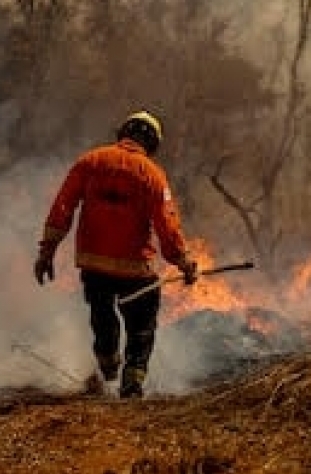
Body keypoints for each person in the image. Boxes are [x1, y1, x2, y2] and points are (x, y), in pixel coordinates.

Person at [33, 110, 198, 399]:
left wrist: (47, 251)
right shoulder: (153, 175)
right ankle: (132, 383)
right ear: (153, 142)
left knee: (102, 315)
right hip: (136, 270)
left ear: (123, 132)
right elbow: (167, 226)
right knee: (141, 327)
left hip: (93, 264)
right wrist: (184, 262)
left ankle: (108, 365)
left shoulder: (91, 161)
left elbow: (62, 207)